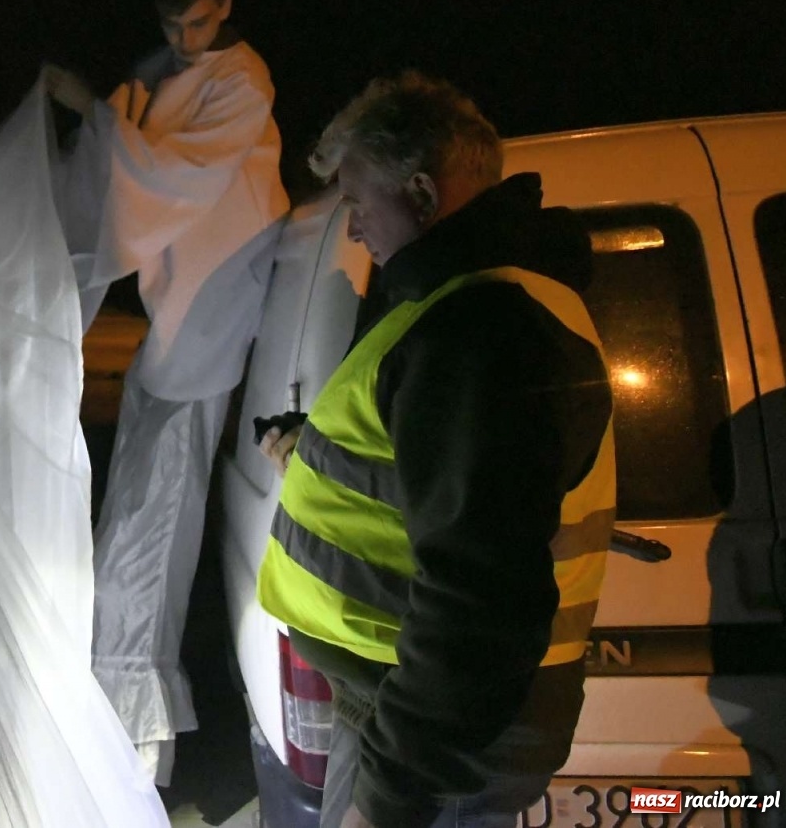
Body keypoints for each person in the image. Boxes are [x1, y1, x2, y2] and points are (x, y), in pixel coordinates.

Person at [255, 72, 616, 828]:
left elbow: (478, 602)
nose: (355, 230)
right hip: (423, 721)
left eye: (359, 203)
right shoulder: (476, 304)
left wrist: (387, 799)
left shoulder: (477, 329)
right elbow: (429, 482)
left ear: (421, 193)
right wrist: (314, 458)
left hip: (431, 742)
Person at [45, 0, 290, 781]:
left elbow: (173, 175)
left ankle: (136, 749)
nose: (185, 40)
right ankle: (118, 728)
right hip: (176, 329)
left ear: (225, 5)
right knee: (131, 530)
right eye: (172, 25)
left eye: (198, 23)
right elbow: (129, 161)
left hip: (209, 321)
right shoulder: (162, 75)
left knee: (151, 532)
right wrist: (98, 119)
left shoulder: (242, 82)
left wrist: (95, 112)